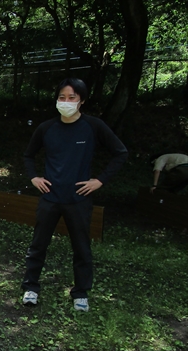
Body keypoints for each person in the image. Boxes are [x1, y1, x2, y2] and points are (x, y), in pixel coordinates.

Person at [21, 78, 128, 312]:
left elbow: (120, 153)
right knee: (38, 245)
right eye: (62, 97)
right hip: (50, 198)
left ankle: (80, 292)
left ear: (82, 101)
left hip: (78, 199)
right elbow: (29, 155)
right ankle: (31, 287)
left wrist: (99, 181)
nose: (66, 102)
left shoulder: (93, 126)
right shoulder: (46, 128)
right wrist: (34, 177)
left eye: (72, 98)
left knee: (81, 248)